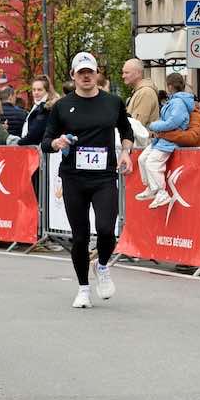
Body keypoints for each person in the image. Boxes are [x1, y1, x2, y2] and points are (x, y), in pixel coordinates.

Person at [41, 53, 134, 308]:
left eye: (89, 72)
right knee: (80, 237)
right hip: (74, 178)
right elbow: (46, 141)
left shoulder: (112, 102)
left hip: (104, 177)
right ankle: (83, 289)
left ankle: (101, 266)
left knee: (106, 230)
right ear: (73, 75)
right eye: (80, 72)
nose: (85, 76)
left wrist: (126, 152)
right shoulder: (62, 106)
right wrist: (57, 142)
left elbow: (126, 129)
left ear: (96, 74)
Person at [135, 73, 194, 208]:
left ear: (170, 86)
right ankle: (151, 188)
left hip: (169, 139)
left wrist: (154, 125)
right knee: (142, 159)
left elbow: (173, 122)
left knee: (152, 163)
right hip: (163, 138)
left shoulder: (178, 102)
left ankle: (162, 193)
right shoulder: (175, 101)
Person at [122, 59, 160, 129]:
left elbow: (137, 125)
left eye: (126, 73)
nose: (123, 76)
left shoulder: (145, 92)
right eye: (123, 73)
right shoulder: (140, 91)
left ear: (138, 73)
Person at [20, 77, 58, 147]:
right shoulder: (38, 105)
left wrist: (19, 142)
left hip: (42, 149)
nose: (36, 92)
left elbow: (34, 134)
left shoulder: (46, 108)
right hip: (37, 147)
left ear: (47, 91)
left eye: (39, 90)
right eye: (34, 90)